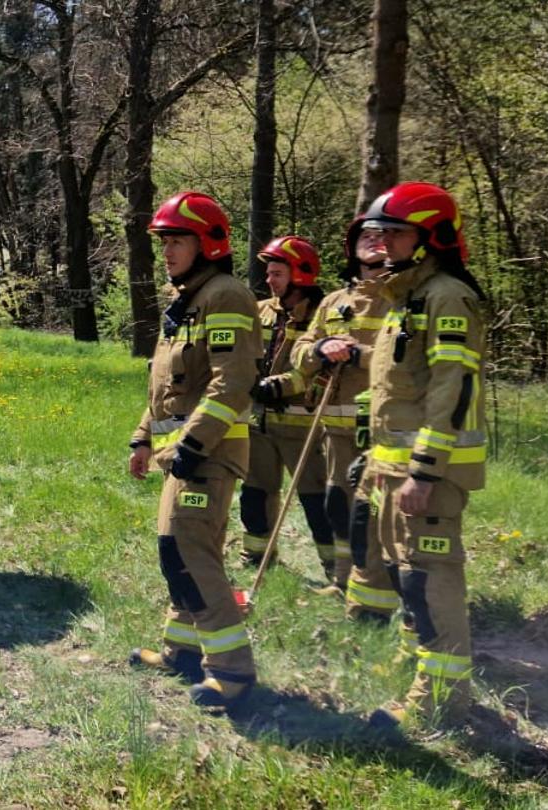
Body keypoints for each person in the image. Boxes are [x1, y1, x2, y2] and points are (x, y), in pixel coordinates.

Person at [314, 182, 489, 729]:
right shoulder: (403, 299)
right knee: (402, 571)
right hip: (389, 466)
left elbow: (450, 390)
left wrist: (424, 471)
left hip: (425, 472)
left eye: (395, 233)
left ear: (430, 237)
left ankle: (440, 702)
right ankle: (420, 667)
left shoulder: (445, 297)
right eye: (379, 233)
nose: (382, 243)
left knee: (430, 579)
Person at [126, 191, 263, 710]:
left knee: (192, 555)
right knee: (175, 552)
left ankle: (232, 671)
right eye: (164, 242)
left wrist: (193, 444)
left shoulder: (225, 296)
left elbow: (232, 383)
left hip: (207, 454)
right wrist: (144, 438)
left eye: (178, 240)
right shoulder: (186, 303)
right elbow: (166, 389)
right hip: (180, 455)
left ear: (208, 243)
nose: (168, 251)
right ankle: (181, 651)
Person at [266, 219, 399, 603]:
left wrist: (358, 355)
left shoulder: (404, 299)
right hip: (336, 431)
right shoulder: (334, 302)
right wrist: (319, 351)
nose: (373, 241)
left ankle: (382, 592)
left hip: (384, 429)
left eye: (381, 235)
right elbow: (300, 350)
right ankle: (344, 582)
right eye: (365, 236)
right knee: (339, 507)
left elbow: (411, 363)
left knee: (374, 513)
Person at [237, 237, 330, 570]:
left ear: (301, 275)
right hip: (259, 425)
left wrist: (284, 385)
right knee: (255, 496)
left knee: (318, 501)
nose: (269, 280)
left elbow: (326, 371)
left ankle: (336, 567)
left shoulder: (325, 315)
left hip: (304, 428)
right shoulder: (259, 311)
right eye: (268, 273)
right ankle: (257, 557)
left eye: (277, 273)